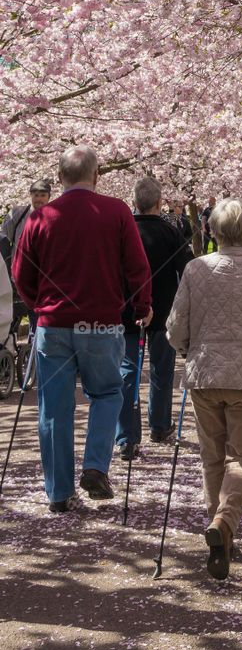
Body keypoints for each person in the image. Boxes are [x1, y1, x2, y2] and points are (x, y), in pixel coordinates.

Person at [13, 146, 152, 513]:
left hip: (53, 324)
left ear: (60, 178)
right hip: (101, 322)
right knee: (107, 393)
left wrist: (36, 305)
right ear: (97, 176)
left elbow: (20, 272)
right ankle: (95, 465)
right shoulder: (117, 211)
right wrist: (141, 306)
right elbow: (137, 266)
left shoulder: (41, 217)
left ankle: (59, 493)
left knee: (54, 409)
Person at [166, 198, 242, 579]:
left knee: (212, 457)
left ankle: (222, 532)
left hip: (205, 374)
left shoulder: (195, 268)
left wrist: (187, 348)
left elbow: (175, 329)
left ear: (214, 231)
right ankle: (223, 524)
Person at [116, 177, 194, 460]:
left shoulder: (124, 231)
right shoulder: (171, 232)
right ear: (159, 202)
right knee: (162, 371)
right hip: (163, 311)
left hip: (128, 311)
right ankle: (159, 426)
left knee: (128, 372)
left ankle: (127, 436)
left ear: (134, 202)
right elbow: (187, 270)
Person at [1, 179, 52, 281]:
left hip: (45, 274)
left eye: (43, 195)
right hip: (18, 272)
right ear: (30, 195)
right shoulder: (18, 213)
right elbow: (3, 237)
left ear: (49, 197)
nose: (39, 199)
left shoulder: (54, 217)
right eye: (36, 195)